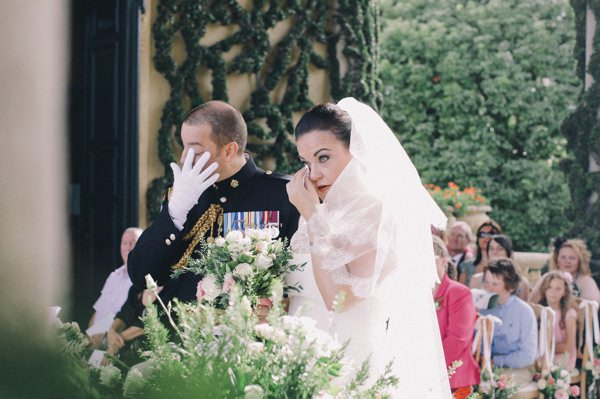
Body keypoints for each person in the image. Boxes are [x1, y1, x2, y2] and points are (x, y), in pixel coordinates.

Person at [286, 98, 451, 397]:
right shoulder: (314, 211)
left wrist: (313, 217)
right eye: (306, 162)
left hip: (350, 369)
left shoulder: (381, 215)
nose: (313, 173)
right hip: (296, 362)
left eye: (324, 157)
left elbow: (341, 297)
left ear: (358, 150)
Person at [127, 101, 299, 304]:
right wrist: (174, 213)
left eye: (195, 152)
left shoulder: (282, 194)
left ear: (229, 151)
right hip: (179, 330)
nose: (184, 158)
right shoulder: (183, 195)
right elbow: (142, 275)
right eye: (184, 148)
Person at [432, 236, 479, 399]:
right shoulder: (414, 294)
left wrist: (426, 365)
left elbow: (457, 340)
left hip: (452, 377)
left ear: (444, 261)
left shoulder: (459, 293)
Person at [479, 258, 537, 386]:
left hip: (517, 368)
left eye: (494, 284)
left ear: (510, 288)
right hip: (484, 365)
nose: (488, 288)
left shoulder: (524, 311)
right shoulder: (481, 307)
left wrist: (496, 361)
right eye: (486, 282)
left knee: (496, 385)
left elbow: (528, 355)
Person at [88, 227, 143, 348]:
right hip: (92, 341)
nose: (128, 247)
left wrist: (103, 334)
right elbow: (98, 311)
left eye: (133, 242)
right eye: (125, 243)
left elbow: (129, 315)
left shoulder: (142, 280)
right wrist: (89, 334)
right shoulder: (113, 276)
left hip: (115, 343)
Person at [530, 238, 600, 304]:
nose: (567, 261)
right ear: (557, 260)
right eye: (563, 257)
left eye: (572, 258)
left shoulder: (585, 281)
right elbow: (532, 303)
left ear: (579, 261)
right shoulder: (547, 278)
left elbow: (593, 307)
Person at [534, 271, 577, 371]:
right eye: (549, 287)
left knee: (547, 365)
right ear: (544, 290)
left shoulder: (569, 314)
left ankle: (549, 384)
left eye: (558, 289)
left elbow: (568, 346)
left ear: (564, 292)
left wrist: (547, 347)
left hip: (563, 355)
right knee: (531, 363)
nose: (553, 292)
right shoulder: (540, 311)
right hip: (543, 352)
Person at [469, 234, 530, 301]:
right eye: (491, 248)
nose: (495, 252)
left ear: (508, 253)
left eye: (500, 249)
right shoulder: (476, 279)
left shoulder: (522, 283)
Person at [458, 220, 502, 286]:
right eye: (482, 234)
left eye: (491, 234)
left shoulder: (504, 267)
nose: (486, 237)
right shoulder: (466, 266)